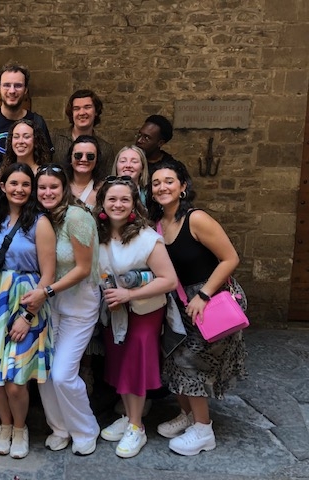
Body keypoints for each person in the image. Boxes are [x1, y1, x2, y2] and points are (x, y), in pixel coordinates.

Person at [149, 159, 247, 456]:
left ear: (183, 187)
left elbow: (230, 258)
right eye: (156, 183)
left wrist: (203, 295)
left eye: (169, 181)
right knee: (174, 360)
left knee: (192, 363)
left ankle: (204, 431)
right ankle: (189, 416)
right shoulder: (159, 224)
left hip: (209, 299)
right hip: (180, 303)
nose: (162, 187)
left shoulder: (196, 219)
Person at [0, 163, 56, 459]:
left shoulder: (39, 222)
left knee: (16, 380)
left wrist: (28, 315)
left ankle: (20, 427)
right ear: (4, 186)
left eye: (25, 184)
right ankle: (5, 424)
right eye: (13, 183)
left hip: (26, 300)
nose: (19, 189)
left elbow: (49, 274)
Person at [95, 176, 178, 459]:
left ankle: (136, 426)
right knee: (120, 365)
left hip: (143, 312)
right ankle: (129, 417)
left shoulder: (147, 238)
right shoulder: (99, 235)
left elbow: (168, 280)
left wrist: (129, 295)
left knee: (135, 366)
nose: (118, 204)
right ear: (102, 203)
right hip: (116, 312)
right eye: (112, 199)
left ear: (134, 205)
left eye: (124, 199)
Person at [20, 164, 101, 456]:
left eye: (53, 187)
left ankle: (85, 429)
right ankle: (59, 428)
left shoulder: (78, 217)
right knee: (45, 369)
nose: (47, 192)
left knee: (64, 373)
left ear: (64, 187)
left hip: (79, 302)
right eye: (42, 187)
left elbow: (83, 268)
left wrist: (47, 291)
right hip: (51, 304)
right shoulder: (42, 218)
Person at [0, 61, 54, 176]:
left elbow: (46, 159)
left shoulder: (37, 122)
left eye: (18, 85)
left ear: (26, 90)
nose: (12, 91)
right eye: (6, 85)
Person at [51, 89, 115, 177]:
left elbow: (107, 182)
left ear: (96, 111)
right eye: (76, 108)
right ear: (71, 113)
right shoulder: (55, 139)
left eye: (87, 107)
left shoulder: (105, 148)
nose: (82, 113)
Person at [134, 114, 185, 179]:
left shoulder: (172, 168)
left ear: (160, 143)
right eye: (139, 134)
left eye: (146, 138)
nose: (139, 140)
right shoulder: (128, 163)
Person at [66, 135, 101, 211]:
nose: (84, 159)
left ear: (97, 160)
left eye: (90, 156)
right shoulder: (60, 186)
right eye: (78, 155)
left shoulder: (104, 189)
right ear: (70, 158)